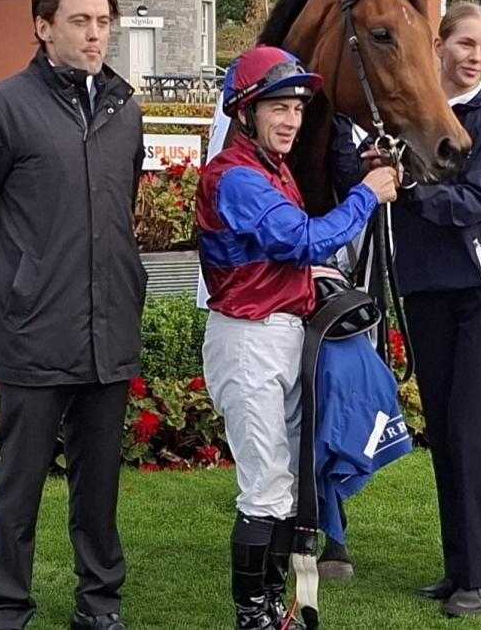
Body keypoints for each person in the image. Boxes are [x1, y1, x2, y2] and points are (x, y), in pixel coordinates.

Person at [0, 0, 144, 630]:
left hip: (109, 330)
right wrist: (11, 292)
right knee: (20, 487)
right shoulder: (0, 107)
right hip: (32, 333)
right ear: (43, 26)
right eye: (80, 21)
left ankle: (99, 604)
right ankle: (6, 609)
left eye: (103, 22)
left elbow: (121, 209)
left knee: (100, 486)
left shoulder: (126, 110)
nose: (95, 35)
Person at [197, 45, 399, 630]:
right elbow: (302, 239)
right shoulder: (235, 176)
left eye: (298, 108)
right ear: (245, 112)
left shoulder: (272, 168)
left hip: (281, 336)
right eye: (277, 107)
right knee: (265, 488)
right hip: (249, 341)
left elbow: (282, 255)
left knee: (287, 488)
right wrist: (367, 194)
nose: (291, 119)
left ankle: (274, 606)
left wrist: (313, 275)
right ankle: (252, 617)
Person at [331, 1, 481, 616]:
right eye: (466, 44)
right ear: (438, 47)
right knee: (444, 430)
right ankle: (459, 567)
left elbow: (473, 202)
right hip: (427, 286)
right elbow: (364, 178)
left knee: (476, 433)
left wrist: (407, 188)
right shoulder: (405, 119)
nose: (476, 57)